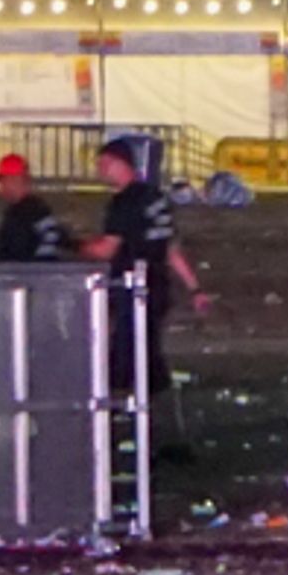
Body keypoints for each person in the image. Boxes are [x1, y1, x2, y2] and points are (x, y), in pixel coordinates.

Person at [83, 135, 210, 397]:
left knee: (127, 352)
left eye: (105, 164)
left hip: (132, 286)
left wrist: (73, 245)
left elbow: (107, 249)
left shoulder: (123, 203)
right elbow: (170, 249)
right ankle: (151, 400)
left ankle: (133, 407)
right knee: (146, 347)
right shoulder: (156, 198)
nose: (101, 171)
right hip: (158, 285)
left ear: (122, 164)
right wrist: (194, 288)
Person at [0, 152, 66, 262]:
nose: (0, 188)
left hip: (29, 276)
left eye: (3, 181)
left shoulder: (19, 215)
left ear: (15, 180)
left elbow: (15, 254)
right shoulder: (40, 209)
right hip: (45, 274)